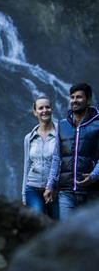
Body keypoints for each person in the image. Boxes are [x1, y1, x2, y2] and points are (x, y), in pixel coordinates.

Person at [44, 83, 99, 220]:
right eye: (72, 97)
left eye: (79, 97)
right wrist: (50, 185)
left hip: (91, 192)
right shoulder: (62, 125)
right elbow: (57, 157)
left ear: (88, 100)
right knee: (67, 236)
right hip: (66, 193)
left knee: (90, 237)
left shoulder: (98, 124)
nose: (74, 100)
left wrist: (93, 176)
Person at [22, 95, 59, 218]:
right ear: (35, 112)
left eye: (47, 107)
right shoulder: (29, 137)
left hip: (55, 189)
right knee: (39, 221)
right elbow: (26, 166)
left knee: (58, 225)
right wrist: (23, 195)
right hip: (33, 189)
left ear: (52, 109)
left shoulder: (61, 133)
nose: (44, 111)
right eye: (40, 108)